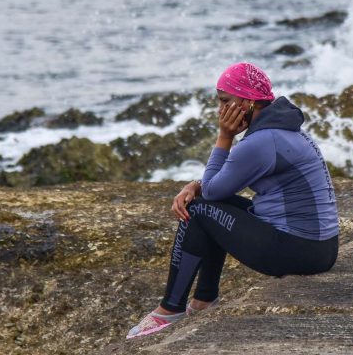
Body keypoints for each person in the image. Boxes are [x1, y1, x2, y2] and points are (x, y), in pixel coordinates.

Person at [126, 62, 339, 339]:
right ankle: (203, 301)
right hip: (320, 248)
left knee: (198, 210)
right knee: (213, 209)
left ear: (248, 102)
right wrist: (198, 184)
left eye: (225, 101)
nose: (220, 110)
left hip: (298, 250)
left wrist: (224, 136)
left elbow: (213, 192)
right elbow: (219, 189)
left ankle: (170, 309)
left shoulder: (260, 141)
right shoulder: (285, 129)